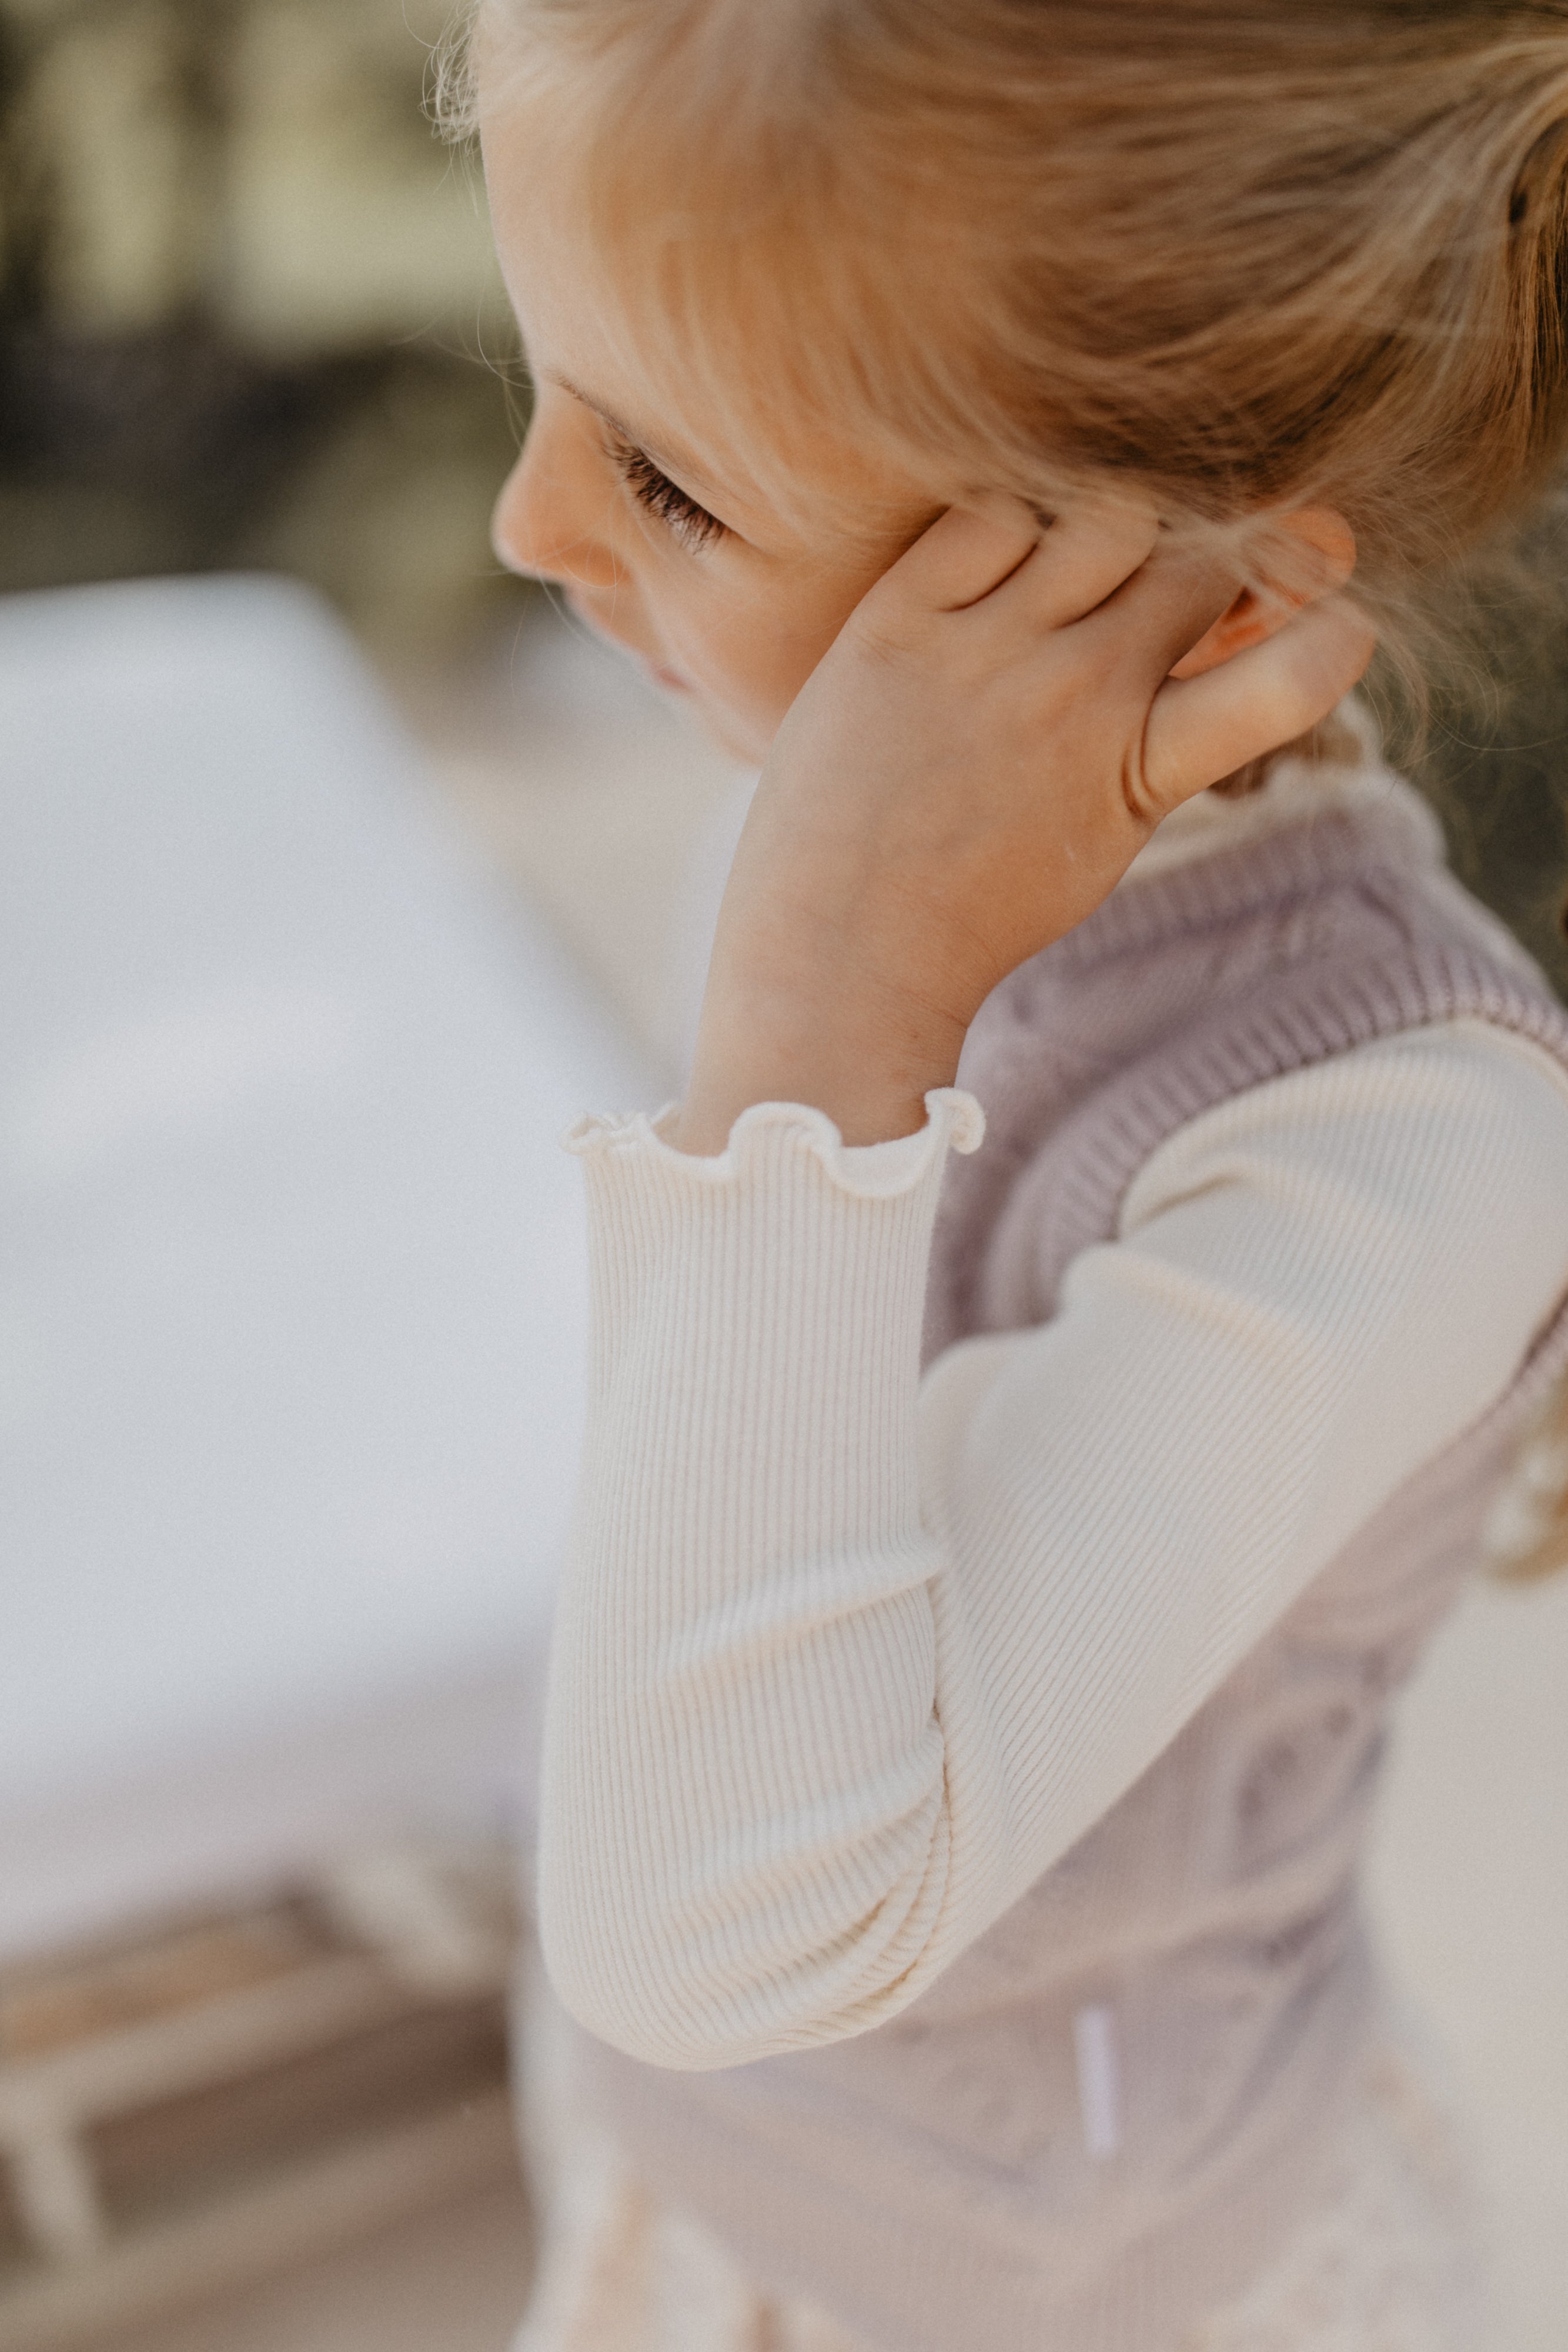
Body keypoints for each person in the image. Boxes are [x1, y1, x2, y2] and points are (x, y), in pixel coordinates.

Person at [441, 4, 1568, 2344]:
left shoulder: (1399, 1141)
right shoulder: (834, 828)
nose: (521, 527)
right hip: (729, 2159)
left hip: (1058, 2270)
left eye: (666, 482)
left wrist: (821, 1031)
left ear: (1214, 607)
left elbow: (713, 1931)